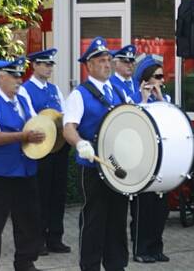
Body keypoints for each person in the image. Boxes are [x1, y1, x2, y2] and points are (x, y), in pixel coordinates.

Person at [62, 37, 129, 271]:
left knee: (118, 220)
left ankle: (116, 265)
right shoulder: (79, 94)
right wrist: (80, 144)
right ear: (88, 65)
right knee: (94, 220)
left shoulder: (118, 92)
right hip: (93, 166)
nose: (107, 64)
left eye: (109, 60)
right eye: (101, 60)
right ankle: (90, 266)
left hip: (117, 166)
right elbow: (68, 127)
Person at [0, 57, 44, 271]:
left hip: (24, 170)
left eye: (21, 75)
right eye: (14, 76)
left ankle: (25, 262)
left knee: (28, 220)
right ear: (1, 78)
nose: (19, 80)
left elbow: (34, 123)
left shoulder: (22, 99)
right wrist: (24, 136)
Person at [18, 48, 70, 256]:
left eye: (51, 65)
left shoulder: (55, 89)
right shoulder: (25, 90)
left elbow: (63, 113)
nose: (49, 68)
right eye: (45, 64)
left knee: (57, 194)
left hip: (58, 147)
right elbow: (30, 118)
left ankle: (54, 238)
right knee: (39, 196)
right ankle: (37, 240)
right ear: (34, 65)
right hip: (40, 149)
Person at [127, 56, 171, 264]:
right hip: (142, 161)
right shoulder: (134, 99)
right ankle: (140, 249)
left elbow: (171, 120)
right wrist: (144, 100)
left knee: (160, 209)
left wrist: (159, 96)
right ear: (146, 78)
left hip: (162, 162)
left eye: (163, 77)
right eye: (158, 77)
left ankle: (156, 247)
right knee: (143, 209)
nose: (162, 80)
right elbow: (133, 123)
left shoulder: (164, 100)